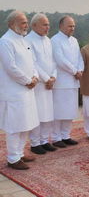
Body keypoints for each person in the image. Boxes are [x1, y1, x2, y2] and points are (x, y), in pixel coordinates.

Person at [0, 11, 39, 170]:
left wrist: (35, 77)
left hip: (27, 90)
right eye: (22, 22)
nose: (26, 25)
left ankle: (20, 153)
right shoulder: (5, 41)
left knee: (26, 123)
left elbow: (33, 62)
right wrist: (27, 81)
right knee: (14, 126)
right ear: (11, 24)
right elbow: (11, 67)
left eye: (26, 22)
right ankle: (13, 158)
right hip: (14, 91)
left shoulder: (23, 40)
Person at [25, 13, 57, 154]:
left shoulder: (48, 40)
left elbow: (53, 61)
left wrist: (53, 77)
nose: (47, 27)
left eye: (48, 24)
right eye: (44, 24)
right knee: (37, 114)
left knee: (48, 113)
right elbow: (33, 63)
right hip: (38, 84)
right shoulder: (28, 40)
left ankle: (44, 140)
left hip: (49, 83)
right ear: (34, 25)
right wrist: (46, 78)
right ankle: (35, 143)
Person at [51, 16, 84, 147]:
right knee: (59, 111)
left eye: (73, 26)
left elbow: (79, 58)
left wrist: (80, 70)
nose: (72, 28)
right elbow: (60, 60)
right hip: (61, 81)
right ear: (61, 26)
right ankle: (56, 137)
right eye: (70, 26)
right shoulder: (55, 40)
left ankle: (66, 135)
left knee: (70, 110)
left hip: (74, 81)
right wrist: (74, 71)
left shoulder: (75, 41)